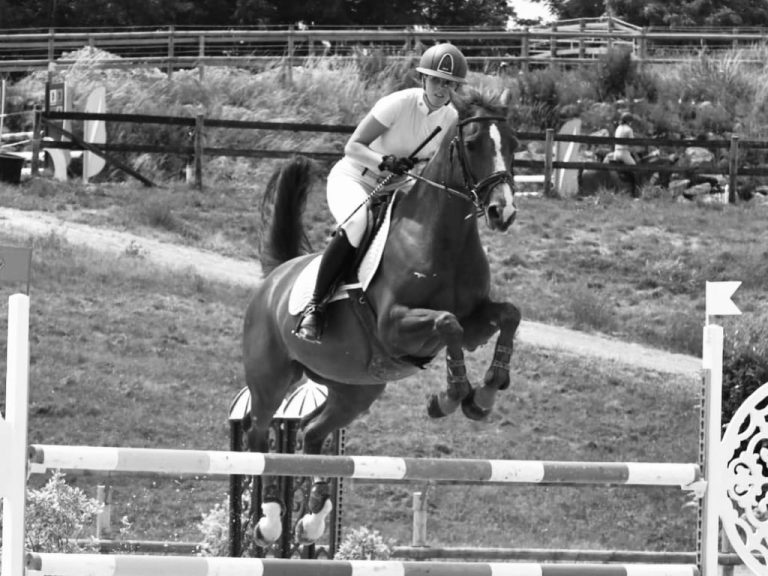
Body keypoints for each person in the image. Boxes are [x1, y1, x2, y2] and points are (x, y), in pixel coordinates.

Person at [294, 43, 468, 343]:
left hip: (398, 186)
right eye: (437, 80)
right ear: (423, 79)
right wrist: (384, 161)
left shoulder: (451, 118)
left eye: (450, 83)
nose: (443, 88)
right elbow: (353, 147)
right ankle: (316, 306)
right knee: (357, 223)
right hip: (356, 177)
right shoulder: (398, 103)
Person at [604, 112, 638, 196]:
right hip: (624, 153)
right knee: (636, 169)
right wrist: (636, 152)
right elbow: (631, 144)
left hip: (616, 153)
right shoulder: (629, 129)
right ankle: (634, 191)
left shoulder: (618, 128)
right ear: (629, 121)